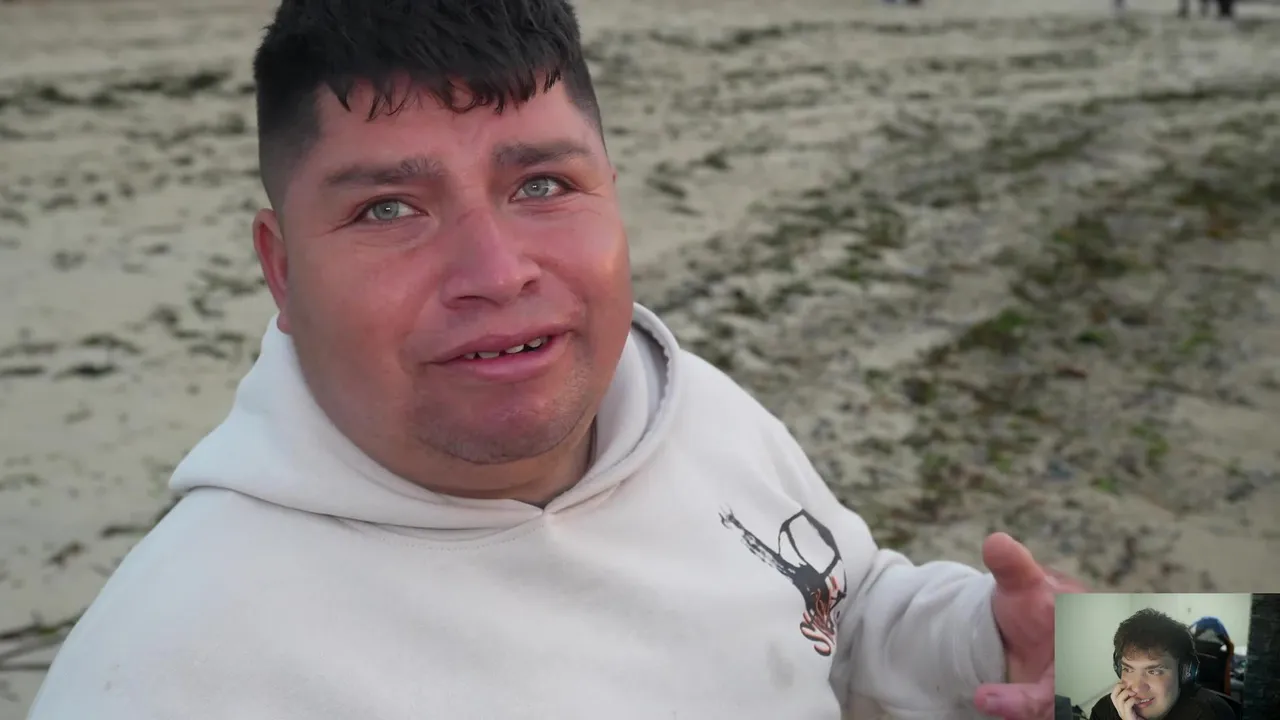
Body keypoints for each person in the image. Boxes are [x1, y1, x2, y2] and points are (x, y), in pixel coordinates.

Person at [26, 1, 1078, 718]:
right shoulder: (172, 669)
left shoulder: (682, 404)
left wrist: (1003, 643)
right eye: (388, 208)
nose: (494, 272)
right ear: (281, 270)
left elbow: (846, 610)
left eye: (542, 186)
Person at [1090, 609, 1235, 720]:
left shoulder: (1212, 715)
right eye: (1128, 669)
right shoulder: (1104, 711)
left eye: (1154, 671)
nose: (1137, 687)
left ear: (1185, 673)